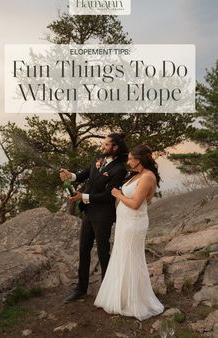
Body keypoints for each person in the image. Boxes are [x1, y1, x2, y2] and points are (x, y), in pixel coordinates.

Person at [94, 144, 164, 321]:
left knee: (131, 258)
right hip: (125, 222)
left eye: (131, 158)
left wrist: (117, 194)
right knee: (121, 256)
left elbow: (135, 204)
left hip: (134, 223)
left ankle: (135, 301)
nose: (129, 161)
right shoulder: (137, 175)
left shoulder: (147, 177)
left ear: (139, 160)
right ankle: (121, 296)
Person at [60, 133, 128, 303]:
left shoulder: (120, 169)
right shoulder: (99, 158)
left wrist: (82, 196)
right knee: (84, 249)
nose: (102, 147)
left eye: (106, 145)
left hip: (103, 216)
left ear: (115, 148)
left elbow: (108, 196)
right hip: (89, 213)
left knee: (103, 252)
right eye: (103, 144)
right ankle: (81, 289)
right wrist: (71, 175)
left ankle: (107, 291)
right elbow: (84, 174)